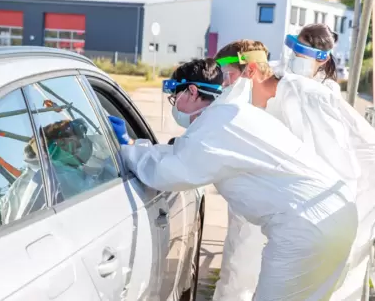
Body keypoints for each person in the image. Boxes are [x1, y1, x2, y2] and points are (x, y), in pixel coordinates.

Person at [109, 58, 358, 300]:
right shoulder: (232, 114)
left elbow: (171, 172)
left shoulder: (218, 124)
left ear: (192, 91)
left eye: (176, 98)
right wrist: (135, 145)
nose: (175, 106)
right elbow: (183, 152)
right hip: (334, 214)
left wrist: (127, 150)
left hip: (305, 226)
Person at [213, 36, 362, 300]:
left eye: (227, 75)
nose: (224, 84)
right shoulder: (257, 95)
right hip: (265, 210)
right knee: (239, 273)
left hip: (303, 212)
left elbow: (338, 162)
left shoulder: (306, 95)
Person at [274, 23, 375, 300]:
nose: (296, 55)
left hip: (317, 194)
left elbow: (340, 150)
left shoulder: (321, 92)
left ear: (322, 57)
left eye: (303, 50)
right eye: (294, 47)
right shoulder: (289, 82)